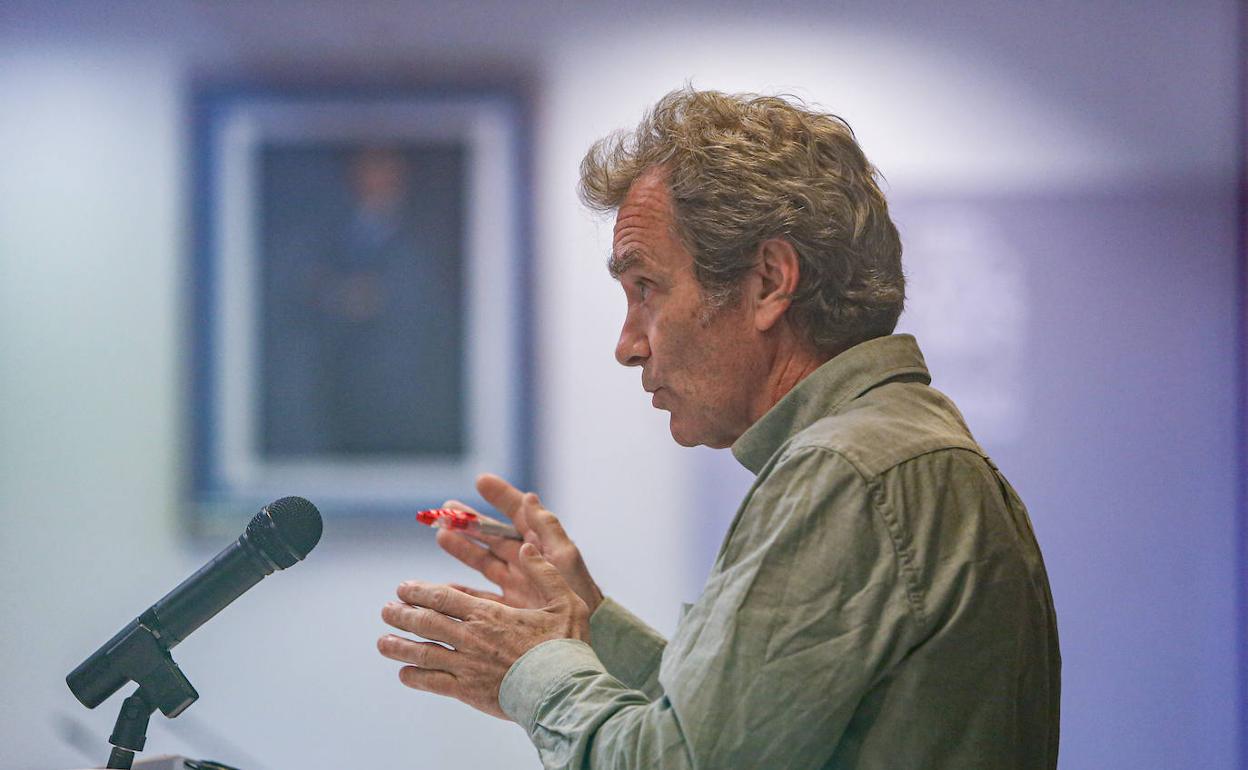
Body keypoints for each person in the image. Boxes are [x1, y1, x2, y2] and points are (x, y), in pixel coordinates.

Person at [377, 88, 1061, 769]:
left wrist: (533, 668)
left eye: (645, 288)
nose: (627, 345)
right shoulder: (892, 449)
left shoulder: (848, 472)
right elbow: (735, 740)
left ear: (768, 282)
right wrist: (586, 622)